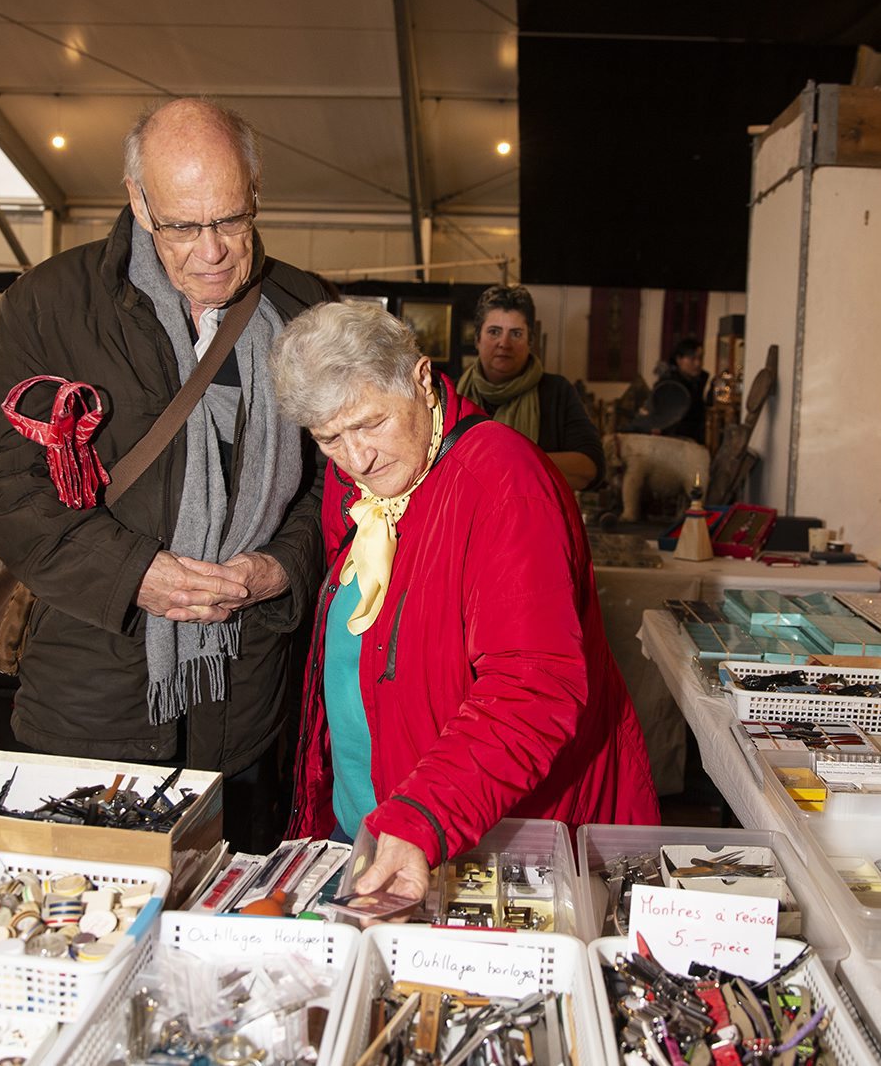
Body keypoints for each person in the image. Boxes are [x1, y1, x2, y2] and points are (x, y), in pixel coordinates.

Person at [0, 98, 331, 850]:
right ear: (136, 199)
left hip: (245, 695)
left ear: (255, 190)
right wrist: (135, 573)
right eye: (182, 226)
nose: (213, 250)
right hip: (90, 695)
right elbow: (0, 476)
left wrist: (279, 567)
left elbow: (336, 481)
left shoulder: (304, 308)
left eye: (231, 219)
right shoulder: (51, 303)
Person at [273, 301, 659, 902]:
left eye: (371, 423)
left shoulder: (503, 480)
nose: (357, 458)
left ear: (421, 379)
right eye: (329, 438)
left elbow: (533, 687)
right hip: (375, 825)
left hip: (487, 833)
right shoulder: (358, 481)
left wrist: (424, 815)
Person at [455, 285, 603, 492]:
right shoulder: (452, 394)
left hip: (534, 521)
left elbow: (589, 468)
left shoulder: (556, 392)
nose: (504, 343)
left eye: (516, 334)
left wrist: (510, 458)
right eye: (494, 332)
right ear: (477, 339)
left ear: (530, 341)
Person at [666, 337, 710, 445]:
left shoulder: (698, 381)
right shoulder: (670, 385)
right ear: (679, 360)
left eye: (700, 358)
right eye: (692, 359)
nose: (697, 364)